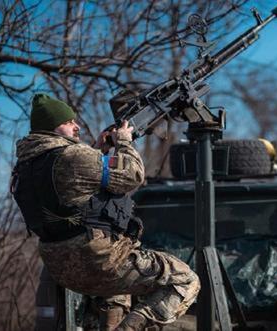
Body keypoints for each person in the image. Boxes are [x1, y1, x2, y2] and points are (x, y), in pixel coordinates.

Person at [11, 93, 200, 330]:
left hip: (60, 268)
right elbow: (133, 175)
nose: (76, 126)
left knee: (116, 296)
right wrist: (124, 142)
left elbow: (70, 188)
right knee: (185, 280)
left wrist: (98, 150)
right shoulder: (73, 156)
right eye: (69, 122)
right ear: (52, 127)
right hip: (99, 260)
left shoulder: (25, 166)